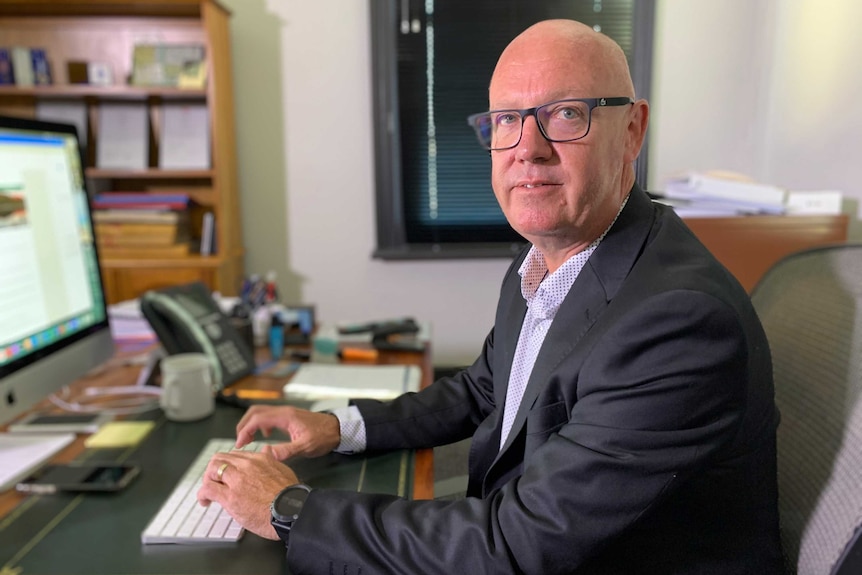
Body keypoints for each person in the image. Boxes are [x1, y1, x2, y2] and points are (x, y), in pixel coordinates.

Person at [197, 19, 784, 574]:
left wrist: (290, 509)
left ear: (632, 130)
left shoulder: (677, 322)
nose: (528, 148)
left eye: (565, 114)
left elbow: (514, 546)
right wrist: (336, 427)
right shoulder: (548, 257)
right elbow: (486, 387)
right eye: (507, 120)